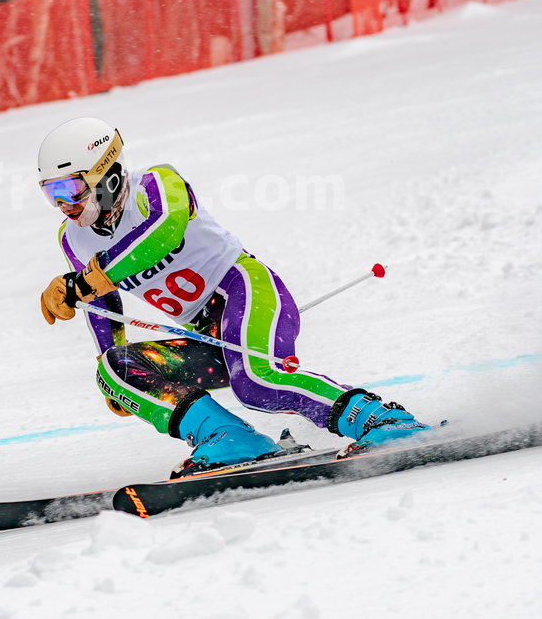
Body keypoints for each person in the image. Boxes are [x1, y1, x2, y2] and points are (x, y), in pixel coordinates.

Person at [36, 116, 429, 475]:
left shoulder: (155, 184)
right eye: (51, 193)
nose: (63, 205)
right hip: (209, 338)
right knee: (112, 369)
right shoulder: (74, 238)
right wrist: (120, 373)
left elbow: (164, 232)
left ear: (109, 176)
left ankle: (381, 420)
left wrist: (89, 279)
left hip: (248, 292)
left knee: (257, 383)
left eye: (71, 188)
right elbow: (102, 301)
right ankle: (231, 440)